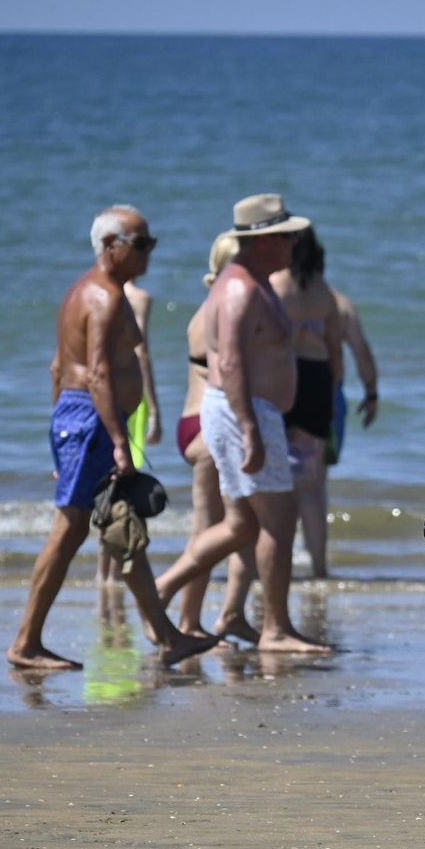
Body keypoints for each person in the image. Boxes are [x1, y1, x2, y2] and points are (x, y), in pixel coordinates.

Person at [7, 207, 216, 671]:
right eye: (140, 244)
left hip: (81, 420)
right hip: (91, 422)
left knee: (120, 525)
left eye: (150, 242)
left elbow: (57, 369)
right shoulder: (103, 298)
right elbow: (98, 372)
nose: (149, 253)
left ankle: (167, 637)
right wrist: (118, 442)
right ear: (109, 247)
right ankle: (25, 643)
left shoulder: (87, 292)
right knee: (70, 529)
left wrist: (64, 434)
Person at [153, 194, 332, 654]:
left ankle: (163, 589)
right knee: (278, 518)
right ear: (263, 240)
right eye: (286, 235)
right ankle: (275, 629)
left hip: (251, 412)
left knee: (244, 525)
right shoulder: (239, 288)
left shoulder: (255, 281)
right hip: (243, 413)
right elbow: (229, 359)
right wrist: (251, 427)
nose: (294, 242)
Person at [174, 236, 260, 644]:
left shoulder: (201, 312)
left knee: (243, 527)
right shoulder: (220, 313)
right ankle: (188, 621)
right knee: (211, 530)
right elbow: (231, 376)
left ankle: (231, 614)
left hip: (191, 423)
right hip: (209, 432)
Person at [271, 228, 345, 578]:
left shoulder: (273, 285)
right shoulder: (324, 293)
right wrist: (331, 395)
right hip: (315, 381)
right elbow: (335, 352)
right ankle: (319, 568)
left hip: (281, 379)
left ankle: (269, 566)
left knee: (272, 479)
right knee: (312, 484)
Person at [96, 276, 163, 587]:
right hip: (133, 397)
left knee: (109, 482)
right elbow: (143, 354)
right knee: (125, 481)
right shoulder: (141, 298)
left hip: (104, 394)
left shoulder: (95, 294)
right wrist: (156, 411)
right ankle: (116, 571)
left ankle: (103, 574)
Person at [325, 283, 379, 467]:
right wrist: (371, 395)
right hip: (329, 393)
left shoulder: (275, 293)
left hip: (282, 392)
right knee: (318, 473)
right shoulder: (341, 304)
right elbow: (361, 352)